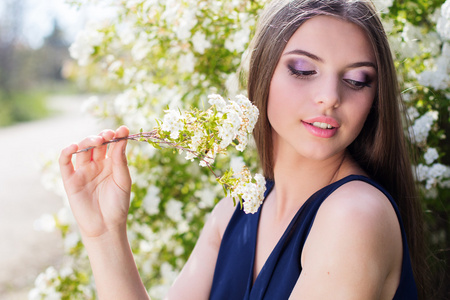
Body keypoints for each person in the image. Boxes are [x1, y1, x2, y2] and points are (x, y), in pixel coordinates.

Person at [59, 0, 426, 299]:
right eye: (302, 69)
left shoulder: (355, 217)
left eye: (356, 80)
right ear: (261, 74)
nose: (330, 96)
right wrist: (105, 233)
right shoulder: (230, 217)